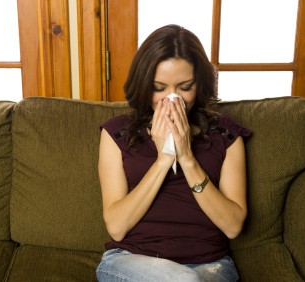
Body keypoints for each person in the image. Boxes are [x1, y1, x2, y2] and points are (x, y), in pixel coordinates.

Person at [96, 24, 251, 282]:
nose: (171, 98)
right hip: (130, 261)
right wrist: (165, 158)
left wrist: (187, 158)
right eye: (159, 88)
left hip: (210, 265)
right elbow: (117, 227)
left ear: (199, 84)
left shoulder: (226, 135)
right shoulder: (117, 134)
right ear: (143, 84)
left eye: (184, 87)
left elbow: (233, 226)